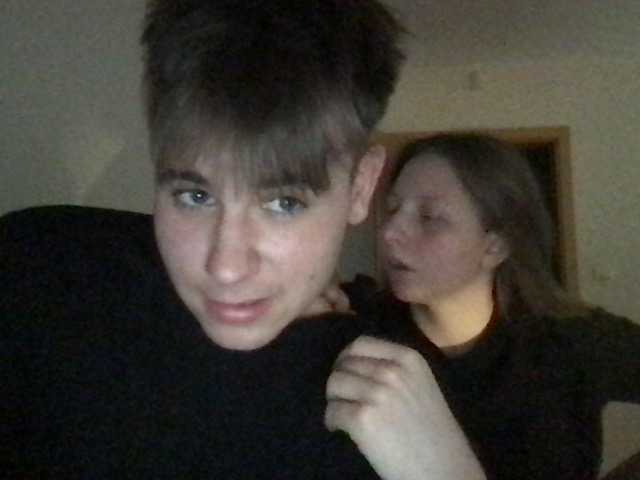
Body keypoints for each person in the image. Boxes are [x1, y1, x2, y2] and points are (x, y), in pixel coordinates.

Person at [0, 2, 486, 479]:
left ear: (360, 188)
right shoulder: (37, 275)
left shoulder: (405, 424)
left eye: (284, 204)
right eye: (195, 196)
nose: (227, 267)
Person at [331, 133, 640, 479]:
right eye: (392, 209)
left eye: (429, 217)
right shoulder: (357, 328)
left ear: (495, 246)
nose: (389, 231)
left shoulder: (572, 342)